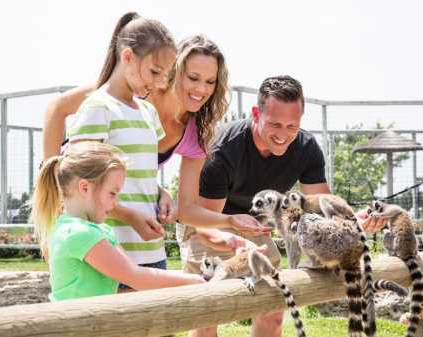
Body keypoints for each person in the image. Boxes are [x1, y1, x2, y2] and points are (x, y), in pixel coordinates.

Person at [42, 33, 269, 281]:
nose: (201, 89)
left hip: (135, 230)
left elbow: (185, 206)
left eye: (210, 81)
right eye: (192, 78)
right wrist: (56, 179)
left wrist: (162, 193)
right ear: (173, 70)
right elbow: (57, 108)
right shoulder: (133, 91)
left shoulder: (195, 131)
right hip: (91, 210)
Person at [184, 75, 384, 337]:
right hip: (208, 221)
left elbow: (323, 207)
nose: (283, 135)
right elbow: (203, 224)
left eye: (292, 126)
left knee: (273, 308)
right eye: (275, 124)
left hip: (255, 226)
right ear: (256, 113)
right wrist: (234, 242)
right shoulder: (223, 150)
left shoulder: (306, 148)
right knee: (209, 314)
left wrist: (354, 222)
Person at [64, 12, 178, 291]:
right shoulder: (97, 108)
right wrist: (130, 216)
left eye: (165, 75)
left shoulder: (148, 111)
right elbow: (80, 186)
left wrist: (161, 193)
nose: (159, 82)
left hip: (153, 252)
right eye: (154, 71)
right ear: (127, 56)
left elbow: (142, 173)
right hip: (114, 256)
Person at [31, 141, 204, 301]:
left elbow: (118, 286)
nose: (115, 203)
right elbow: (136, 277)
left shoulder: (96, 230)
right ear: (85, 187)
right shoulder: (79, 234)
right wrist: (196, 281)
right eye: (112, 193)